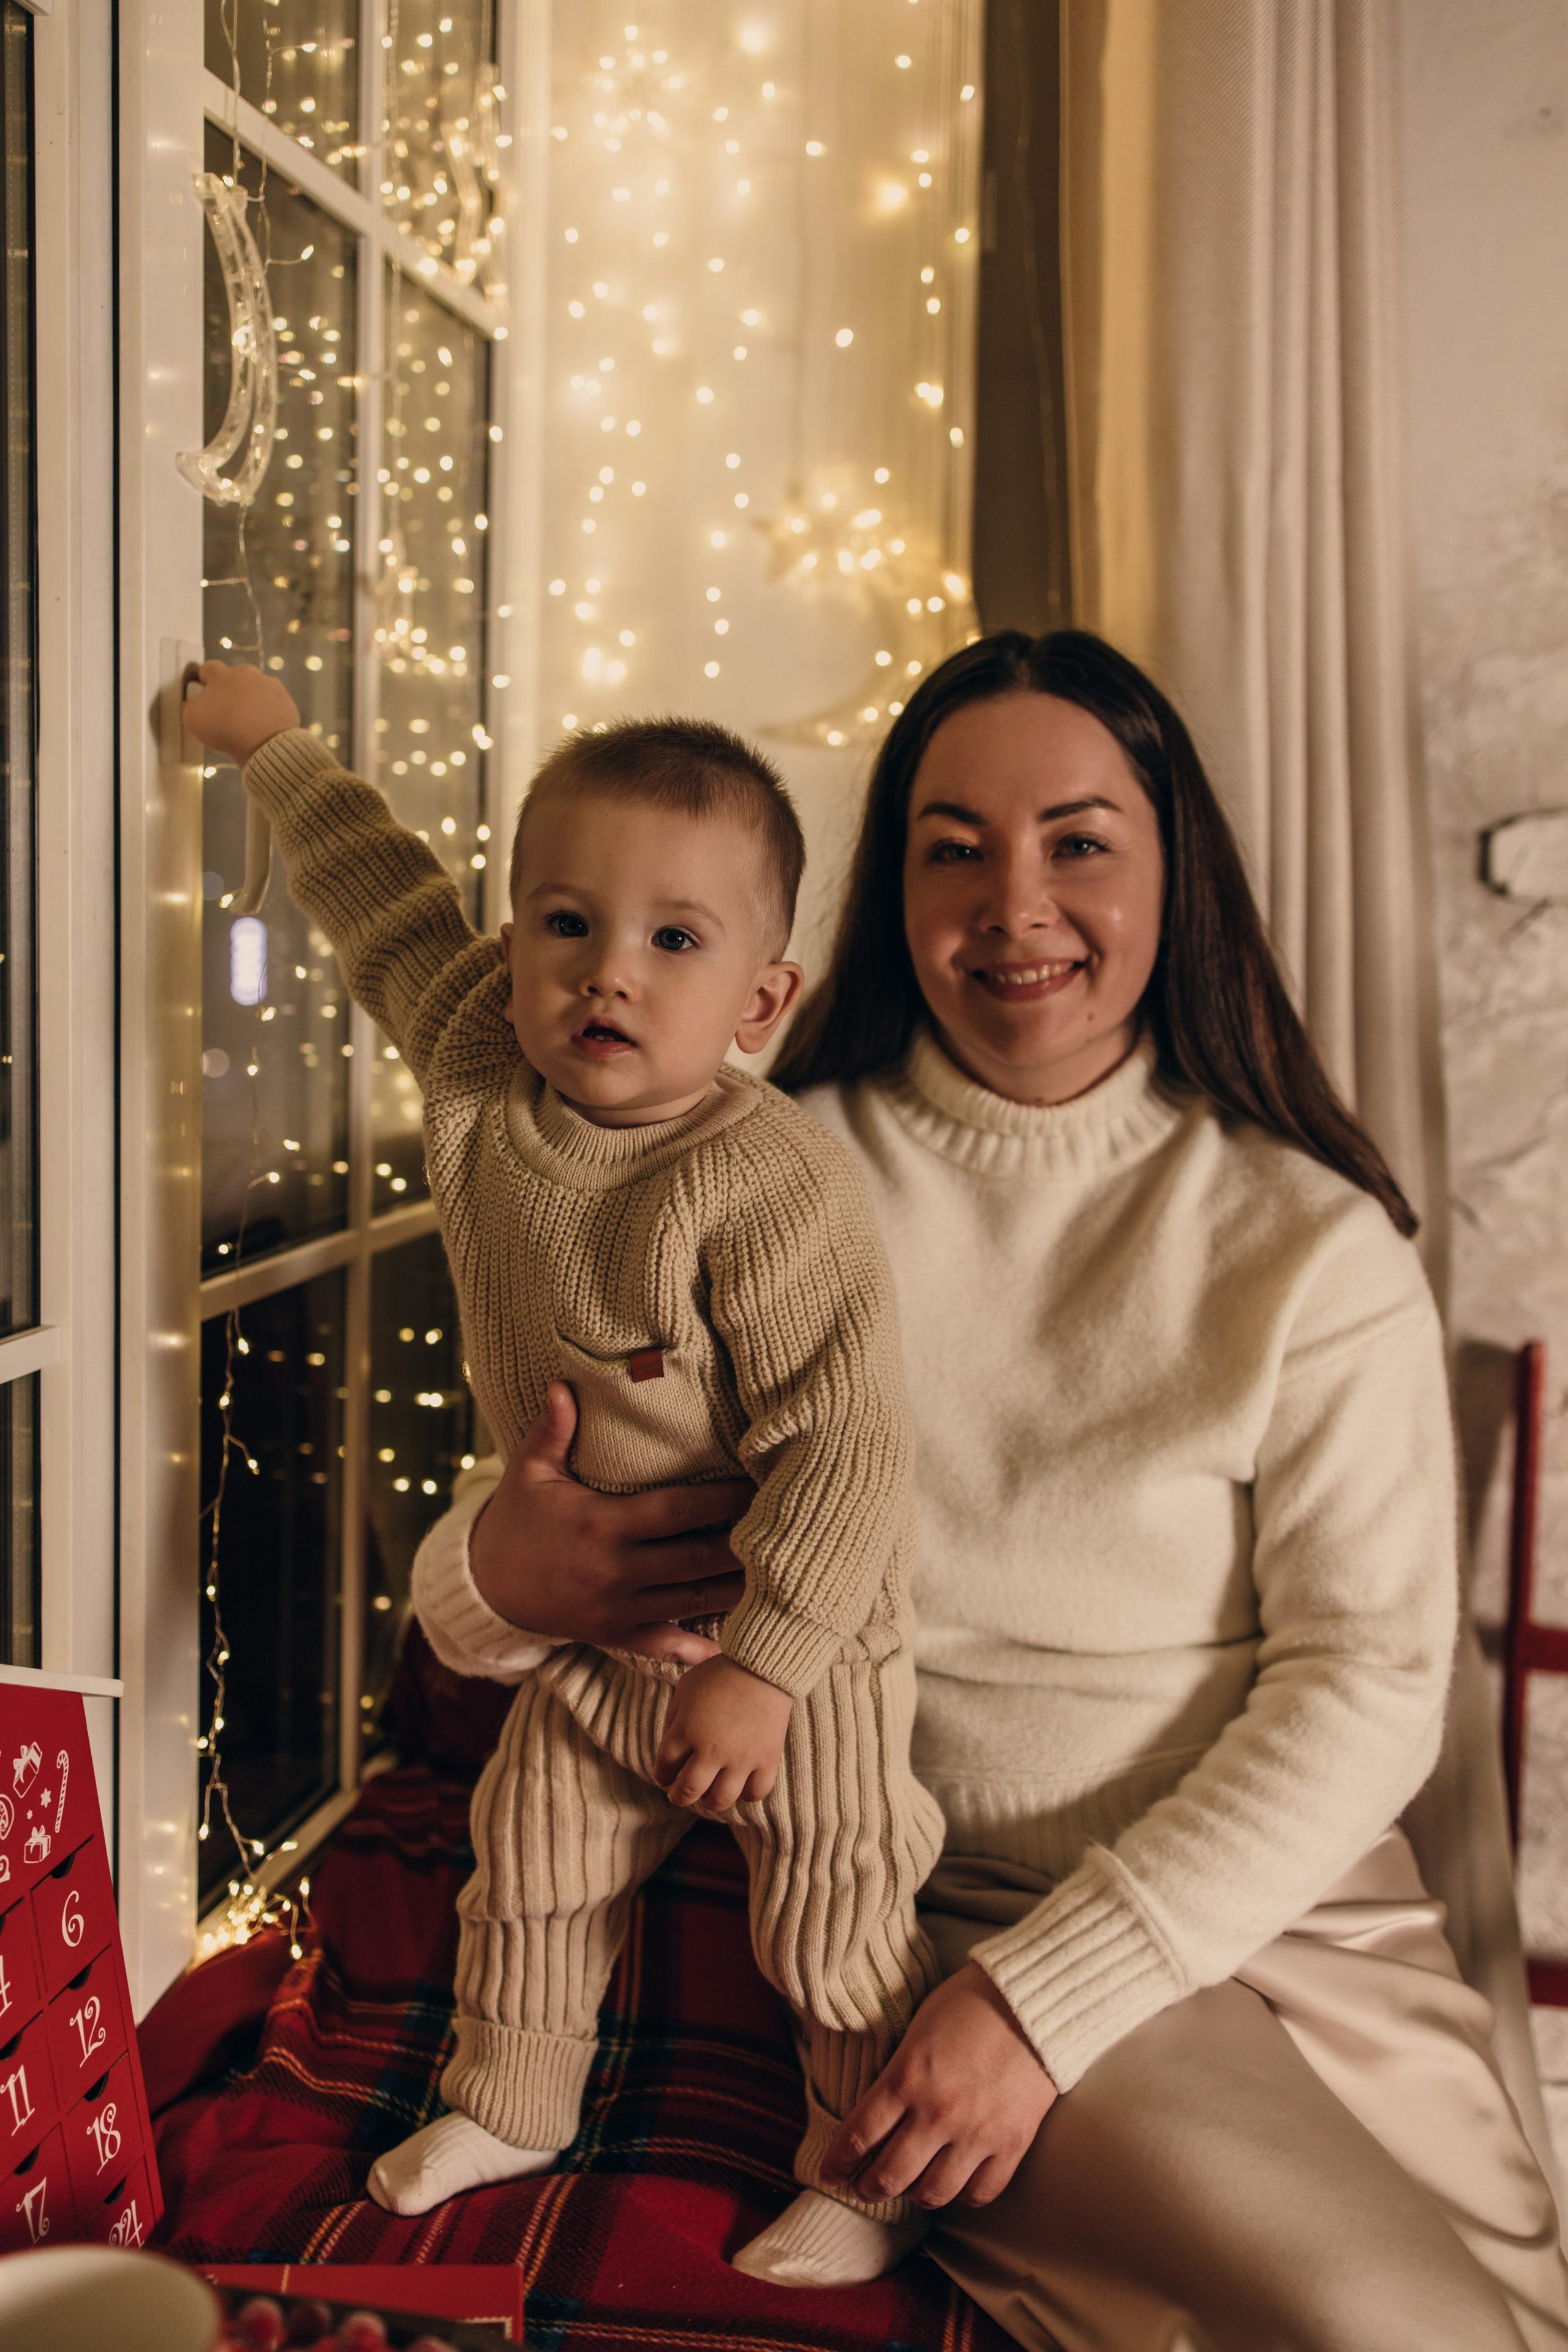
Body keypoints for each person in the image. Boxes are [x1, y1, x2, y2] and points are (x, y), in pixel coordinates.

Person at [414, 630, 1568, 2348]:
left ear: (1176, 874)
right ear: (893, 894)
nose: (1016, 905)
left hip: (1276, 1906)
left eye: (1078, 842)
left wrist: (1051, 2004)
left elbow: (1374, 1681)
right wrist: (493, 1577)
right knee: (1391, 2329)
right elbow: (533, 1528)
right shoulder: (750, 1177)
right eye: (955, 848)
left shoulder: (1310, 1244)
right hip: (928, 1894)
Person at [178, 665, 946, 2282]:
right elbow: (383, 896)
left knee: (832, 1904)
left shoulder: (767, 1184)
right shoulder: (481, 1058)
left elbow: (850, 1448)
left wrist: (766, 1669)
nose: (609, 972)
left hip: (795, 1633)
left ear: (760, 1002)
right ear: (516, 940)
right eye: (567, 923)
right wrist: (270, 745)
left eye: (674, 940)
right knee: (529, 1863)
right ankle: (512, 2102)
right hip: (601, 1627)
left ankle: (866, 2173)